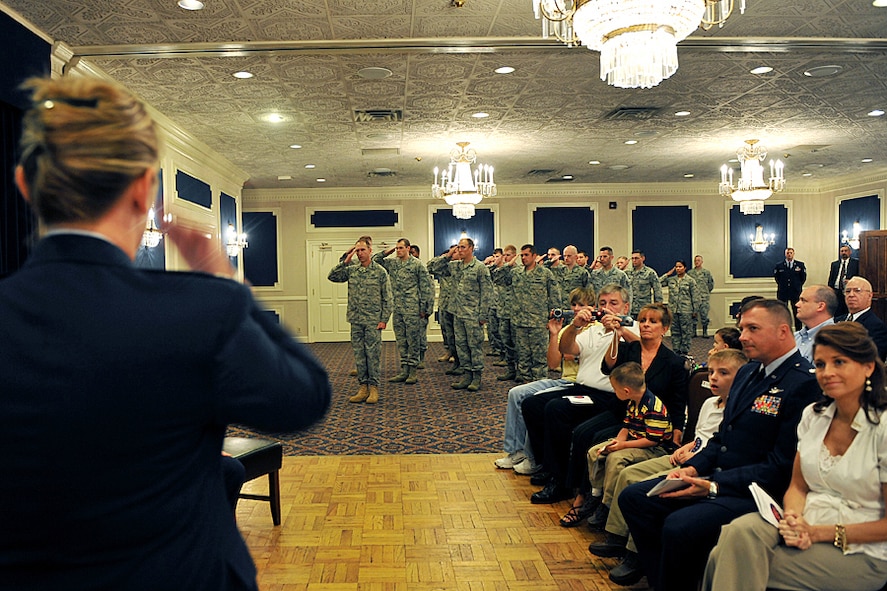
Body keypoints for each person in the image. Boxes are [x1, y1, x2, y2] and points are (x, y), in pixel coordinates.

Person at [0, 76, 332, 590]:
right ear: (142, 187)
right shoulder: (201, 310)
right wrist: (231, 288)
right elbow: (304, 399)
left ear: (24, 183)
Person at [619, 298, 821, 591]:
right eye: (741, 329)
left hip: (757, 492)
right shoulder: (750, 372)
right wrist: (691, 468)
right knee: (635, 498)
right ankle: (665, 580)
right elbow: (721, 438)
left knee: (680, 526)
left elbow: (783, 465)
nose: (742, 337)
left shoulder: (802, 382)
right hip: (717, 476)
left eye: (752, 329)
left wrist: (714, 484)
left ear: (782, 331)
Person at [703, 323, 887, 591]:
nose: (828, 373)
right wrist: (792, 518)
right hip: (805, 521)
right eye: (821, 364)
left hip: (860, 547)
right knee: (739, 531)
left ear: (868, 367)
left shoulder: (882, 427)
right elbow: (798, 486)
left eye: (839, 362)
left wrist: (819, 533)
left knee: (725, 559)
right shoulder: (814, 415)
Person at [589, 349, 748, 585]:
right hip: (685, 454)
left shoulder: (738, 410)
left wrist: (694, 454)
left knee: (642, 486)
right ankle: (616, 535)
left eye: (723, 373)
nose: (713, 377)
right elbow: (701, 436)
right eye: (712, 371)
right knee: (627, 473)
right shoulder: (708, 403)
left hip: (701, 465)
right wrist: (686, 446)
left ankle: (635, 555)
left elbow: (719, 446)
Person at [520, 285, 639, 491]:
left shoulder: (634, 327)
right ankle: (547, 465)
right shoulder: (593, 330)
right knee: (532, 403)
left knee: (557, 408)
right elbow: (566, 349)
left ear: (625, 307)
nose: (607, 308)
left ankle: (560, 481)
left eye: (613, 303)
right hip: (582, 389)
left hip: (609, 397)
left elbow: (645, 349)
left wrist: (620, 330)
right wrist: (574, 327)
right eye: (603, 304)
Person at [494, 287, 595, 471]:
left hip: (580, 384)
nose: (577, 309)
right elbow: (553, 362)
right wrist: (555, 334)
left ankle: (533, 458)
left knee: (534, 400)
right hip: (564, 380)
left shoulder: (595, 330)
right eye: (574, 304)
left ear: (592, 307)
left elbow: (576, 356)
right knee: (516, 393)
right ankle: (515, 451)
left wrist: (572, 349)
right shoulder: (568, 329)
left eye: (582, 305)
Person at [583, 362, 675, 536]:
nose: (614, 392)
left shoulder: (654, 407)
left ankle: (607, 504)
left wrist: (622, 446)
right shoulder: (633, 401)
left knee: (616, 459)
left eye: (615, 389)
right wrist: (617, 442)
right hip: (634, 440)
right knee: (595, 451)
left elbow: (652, 441)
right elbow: (626, 426)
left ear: (625, 391)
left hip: (653, 449)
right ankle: (596, 493)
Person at [329, 239, 392, 403]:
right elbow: (332, 276)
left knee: (373, 355)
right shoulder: (351, 270)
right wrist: (345, 262)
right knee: (359, 355)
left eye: (363, 250)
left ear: (370, 250)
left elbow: (388, 298)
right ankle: (363, 387)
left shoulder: (380, 272)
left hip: (373, 320)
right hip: (356, 319)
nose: (360, 253)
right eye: (357, 250)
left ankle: (373, 388)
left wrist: (384, 319)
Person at [429, 238, 494, 392]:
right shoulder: (455, 266)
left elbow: (487, 293)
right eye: (458, 247)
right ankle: (466, 375)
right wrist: (449, 254)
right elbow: (432, 267)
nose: (460, 250)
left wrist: (483, 315)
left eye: (463, 247)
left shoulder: (479, 268)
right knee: (462, 347)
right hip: (458, 314)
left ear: (472, 248)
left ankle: (476, 376)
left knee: (474, 347)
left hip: (473, 315)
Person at [492, 244, 560, 384]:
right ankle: (525, 384)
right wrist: (507, 265)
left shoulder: (545, 273)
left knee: (539, 357)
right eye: (522, 255)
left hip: (538, 322)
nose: (523, 258)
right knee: (523, 357)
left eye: (526, 255)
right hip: (519, 322)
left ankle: (539, 385)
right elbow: (496, 278)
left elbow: (554, 296)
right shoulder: (516, 272)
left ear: (534, 256)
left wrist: (553, 319)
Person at [373, 239, 432, 385]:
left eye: (401, 248)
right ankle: (404, 369)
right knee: (401, 341)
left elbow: (426, 288)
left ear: (408, 248)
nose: (398, 250)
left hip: (413, 309)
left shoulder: (417, 265)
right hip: (397, 308)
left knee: (413, 341)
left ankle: (412, 371)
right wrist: (389, 250)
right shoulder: (392, 264)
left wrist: (425, 309)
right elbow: (376, 260)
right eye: (397, 248)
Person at [837, 276, 887, 360]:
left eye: (857, 291)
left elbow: (874, 359)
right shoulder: (837, 320)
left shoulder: (876, 326)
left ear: (870, 296)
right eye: (848, 291)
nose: (851, 295)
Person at [659, 260, 699, 357]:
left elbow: (695, 296)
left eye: (680, 267)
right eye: (676, 267)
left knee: (686, 332)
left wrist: (695, 310)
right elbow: (658, 282)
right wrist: (667, 274)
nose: (678, 269)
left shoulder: (690, 281)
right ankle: (676, 350)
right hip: (673, 310)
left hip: (686, 310)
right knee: (675, 331)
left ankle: (684, 351)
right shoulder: (671, 280)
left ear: (685, 268)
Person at [794, 284, 836, 362]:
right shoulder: (794, 338)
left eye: (803, 300)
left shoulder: (836, 339)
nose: (797, 304)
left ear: (820, 306)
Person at [774, 247, 807, 331]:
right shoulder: (779, 265)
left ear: (793, 254)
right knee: (782, 313)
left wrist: (796, 285)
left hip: (795, 292)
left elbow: (803, 278)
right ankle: (784, 330)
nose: (789, 254)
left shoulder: (800, 265)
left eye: (791, 253)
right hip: (783, 292)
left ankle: (799, 331)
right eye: (787, 253)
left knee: (797, 313)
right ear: (785, 254)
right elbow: (777, 278)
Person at [626, 250, 662, 318]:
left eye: (636, 258)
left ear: (643, 258)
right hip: (630, 309)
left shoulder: (650, 273)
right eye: (632, 258)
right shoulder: (627, 273)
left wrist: (658, 308)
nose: (634, 260)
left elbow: (657, 291)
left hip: (644, 308)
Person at [828, 245, 860, 317]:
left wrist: (852, 281)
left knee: (847, 310)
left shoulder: (856, 263)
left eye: (845, 251)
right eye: (842, 251)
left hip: (849, 290)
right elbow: (831, 278)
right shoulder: (835, 264)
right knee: (837, 311)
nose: (843, 253)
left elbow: (859, 276)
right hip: (836, 290)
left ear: (850, 252)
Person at [687, 254, 715, 337]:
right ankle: (694, 332)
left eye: (698, 260)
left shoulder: (706, 273)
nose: (697, 262)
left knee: (704, 315)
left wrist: (705, 292)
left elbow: (711, 284)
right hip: (693, 298)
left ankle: (705, 332)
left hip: (704, 298)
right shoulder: (690, 273)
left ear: (702, 262)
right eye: (695, 261)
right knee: (693, 316)